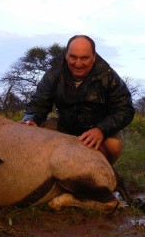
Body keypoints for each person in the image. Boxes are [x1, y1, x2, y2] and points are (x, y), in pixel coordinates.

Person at [21, 35, 135, 165]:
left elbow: (125, 109)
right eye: (73, 57)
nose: (78, 64)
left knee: (113, 146)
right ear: (66, 55)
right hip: (64, 126)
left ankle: (106, 171)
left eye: (84, 58)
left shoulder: (108, 76)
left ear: (94, 57)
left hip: (97, 128)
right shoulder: (54, 73)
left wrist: (101, 130)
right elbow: (39, 102)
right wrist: (31, 119)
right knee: (30, 132)